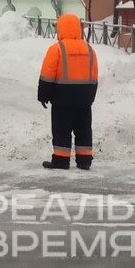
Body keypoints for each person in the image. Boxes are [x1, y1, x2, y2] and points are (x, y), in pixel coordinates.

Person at [37, 13, 99, 170]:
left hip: (62, 97)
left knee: (61, 128)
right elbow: (94, 75)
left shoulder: (57, 49)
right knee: (84, 128)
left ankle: (61, 160)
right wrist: (90, 96)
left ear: (61, 29)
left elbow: (48, 74)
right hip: (84, 98)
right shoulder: (89, 49)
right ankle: (85, 160)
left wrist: (43, 95)